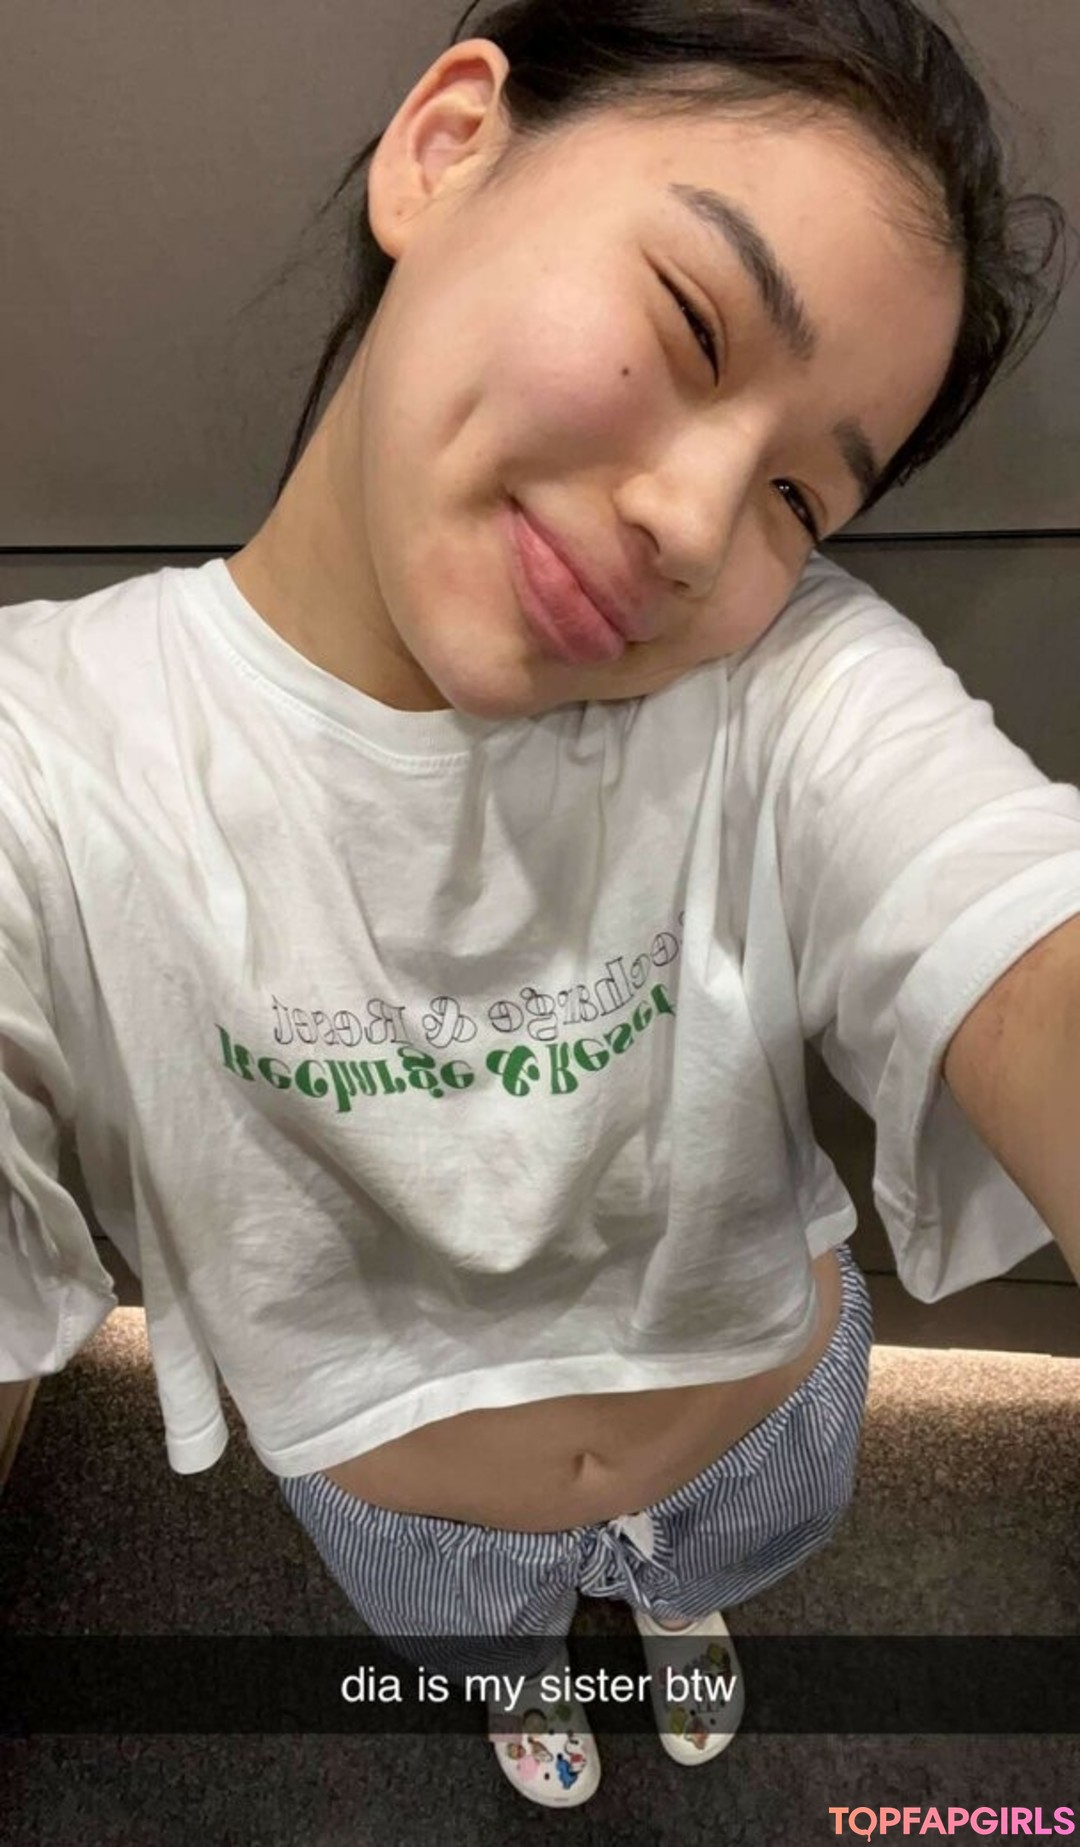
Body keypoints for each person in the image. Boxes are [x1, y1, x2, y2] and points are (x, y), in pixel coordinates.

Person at [1, 0, 1077, 1813]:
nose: (698, 524)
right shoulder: (54, 757)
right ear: (446, 149)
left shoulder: (786, 684)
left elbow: (1021, 927)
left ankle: (674, 1608)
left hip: (764, 1429)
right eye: (695, 324)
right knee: (484, 1632)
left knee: (712, 1563)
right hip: (406, 1511)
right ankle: (520, 1674)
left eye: (802, 496)